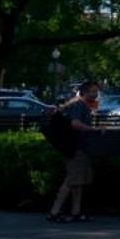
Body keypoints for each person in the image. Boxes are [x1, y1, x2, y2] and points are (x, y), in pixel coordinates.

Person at [46, 82, 102, 224]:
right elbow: (75, 124)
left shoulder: (81, 105)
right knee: (71, 179)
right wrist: (94, 129)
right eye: (93, 92)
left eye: (97, 92)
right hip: (75, 148)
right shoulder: (79, 105)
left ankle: (76, 211)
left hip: (80, 148)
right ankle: (54, 211)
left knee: (79, 181)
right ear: (84, 92)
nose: (96, 94)